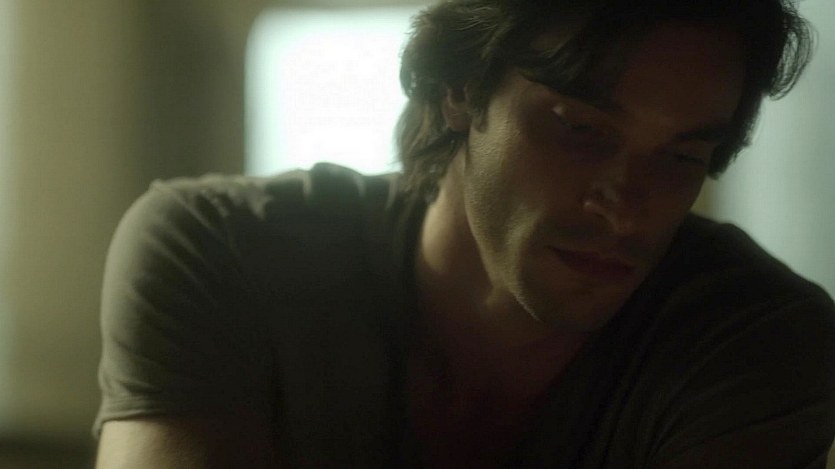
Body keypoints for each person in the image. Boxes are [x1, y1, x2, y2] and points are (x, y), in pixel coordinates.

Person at [94, 0, 835, 467]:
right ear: (460, 89)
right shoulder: (220, 253)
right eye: (580, 130)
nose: (625, 206)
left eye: (680, 157)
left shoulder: (756, 339)